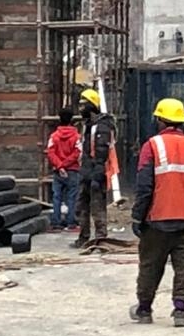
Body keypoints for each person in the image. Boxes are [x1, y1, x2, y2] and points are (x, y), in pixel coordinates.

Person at [130, 98, 184, 327]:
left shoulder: (152, 146)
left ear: (161, 120)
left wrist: (138, 216)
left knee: (150, 265)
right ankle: (180, 312)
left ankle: (144, 310)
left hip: (158, 220)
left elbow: (144, 186)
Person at [75, 88, 117, 248]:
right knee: (81, 206)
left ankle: (101, 239)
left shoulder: (102, 127)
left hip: (96, 174)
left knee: (97, 207)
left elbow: (101, 152)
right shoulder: (88, 126)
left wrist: (97, 175)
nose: (80, 109)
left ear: (91, 106)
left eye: (83, 105)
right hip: (86, 172)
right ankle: (83, 237)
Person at [46, 107, 81, 231]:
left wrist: (60, 166)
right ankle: (71, 222)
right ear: (72, 119)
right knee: (72, 197)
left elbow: (50, 152)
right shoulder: (76, 136)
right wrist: (66, 165)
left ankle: (55, 222)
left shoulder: (54, 136)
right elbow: (77, 153)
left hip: (58, 171)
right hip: (72, 170)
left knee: (57, 197)